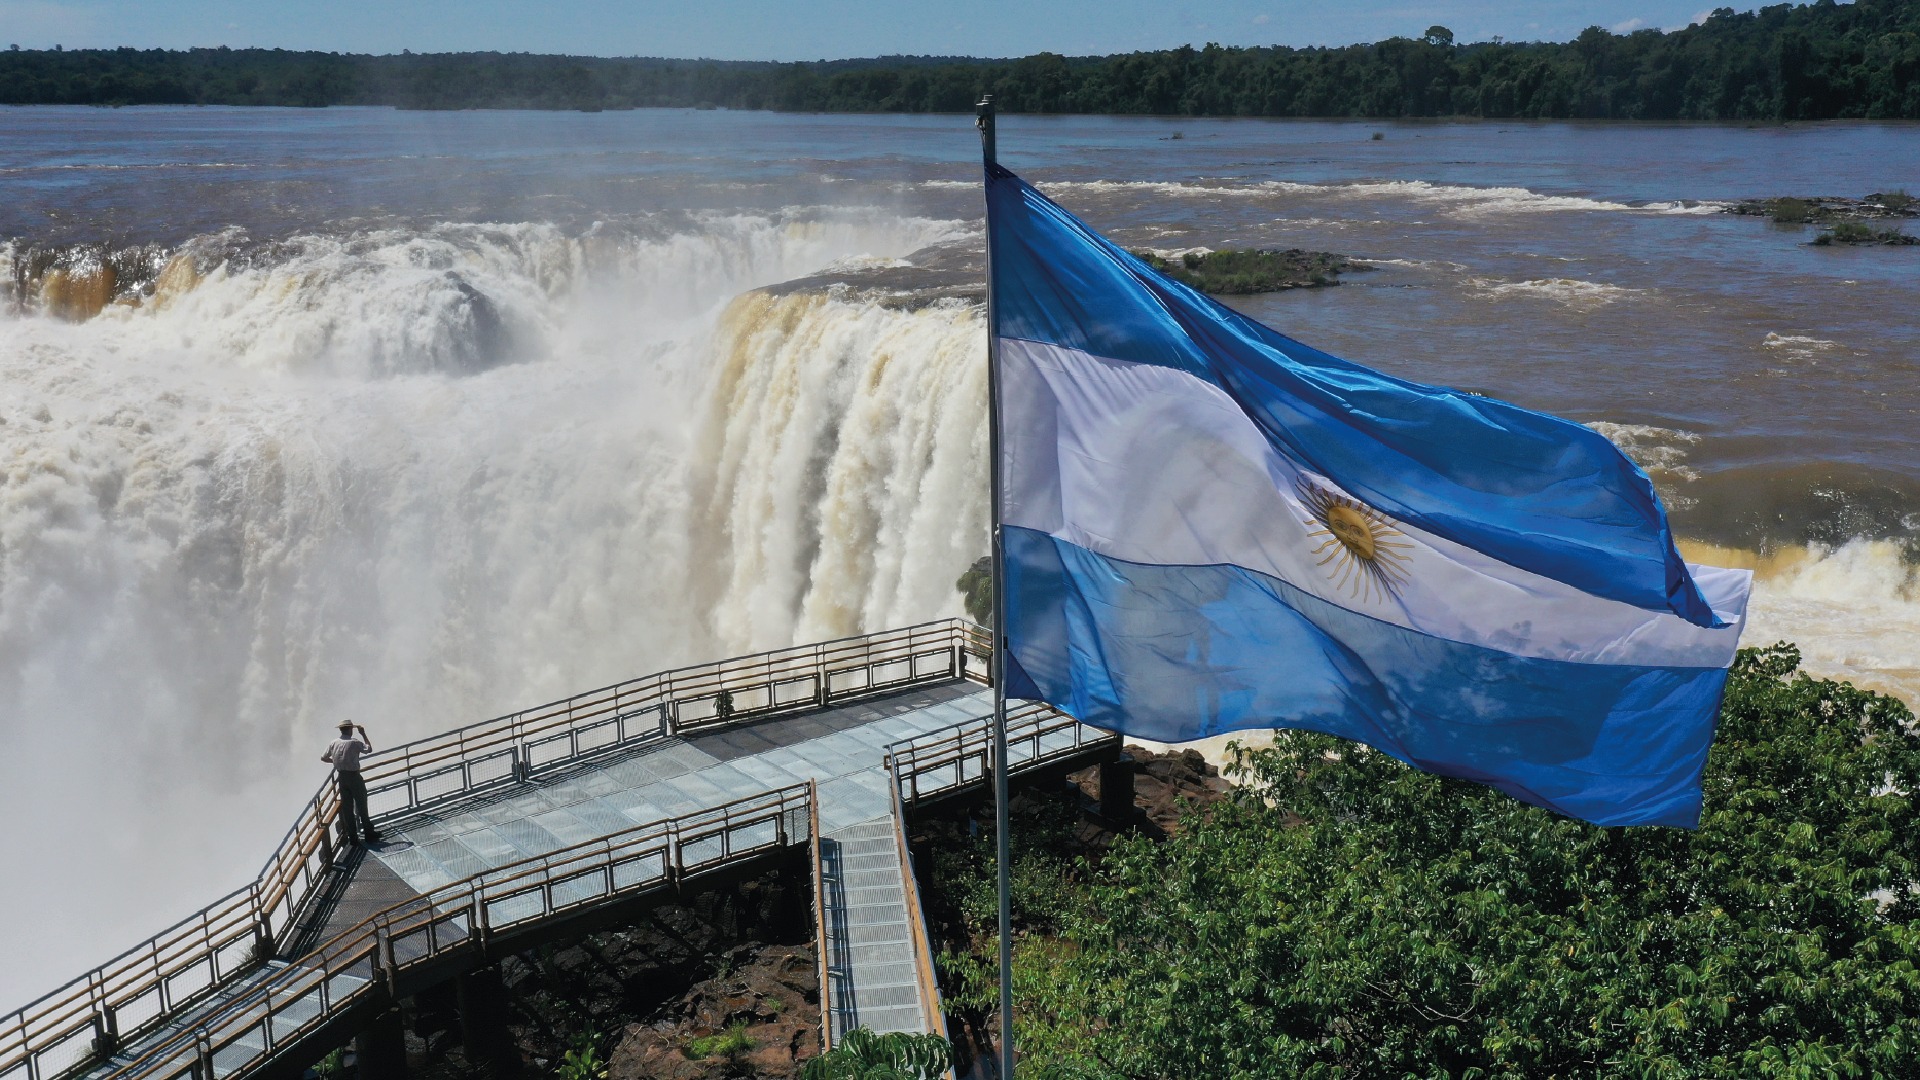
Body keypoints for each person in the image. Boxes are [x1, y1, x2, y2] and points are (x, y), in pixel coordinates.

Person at [322, 720, 381, 846]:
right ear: (351, 729)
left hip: (341, 778)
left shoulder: (334, 742)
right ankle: (369, 833)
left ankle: (353, 838)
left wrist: (336, 762)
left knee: (347, 809)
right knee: (361, 804)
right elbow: (369, 749)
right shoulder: (354, 742)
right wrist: (363, 734)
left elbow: (323, 757)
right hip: (354, 777)